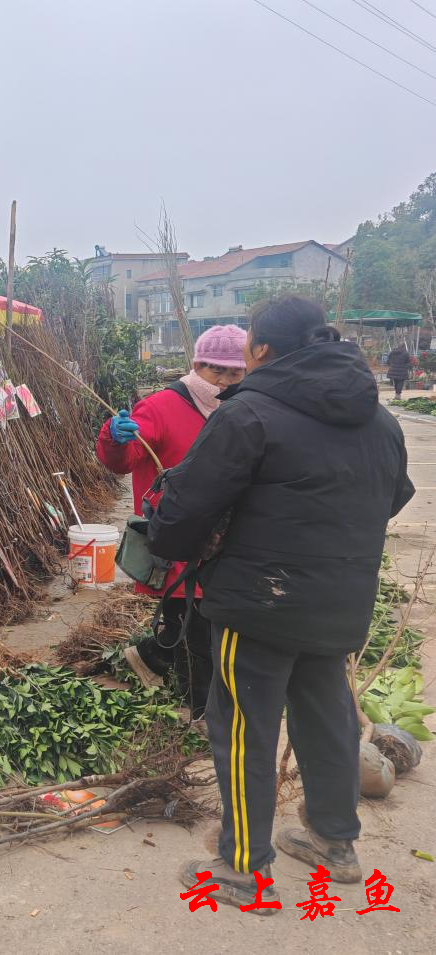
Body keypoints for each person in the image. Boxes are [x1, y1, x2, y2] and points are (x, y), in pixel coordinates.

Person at [148, 296, 413, 911]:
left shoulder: (250, 413)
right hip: (340, 601)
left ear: (261, 349)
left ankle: (243, 868)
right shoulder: (379, 420)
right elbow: (394, 496)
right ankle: (335, 844)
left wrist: (176, 542)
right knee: (328, 719)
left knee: (244, 729)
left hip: (257, 604)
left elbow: (185, 511)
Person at [96, 324, 248, 717]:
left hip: (227, 541)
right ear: (197, 365)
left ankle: (151, 656)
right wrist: (115, 438)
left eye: (236, 372)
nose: (226, 380)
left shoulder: (243, 410)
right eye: (217, 370)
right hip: (179, 540)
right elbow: (124, 461)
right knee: (194, 628)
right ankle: (200, 714)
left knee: (204, 625)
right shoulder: (161, 407)